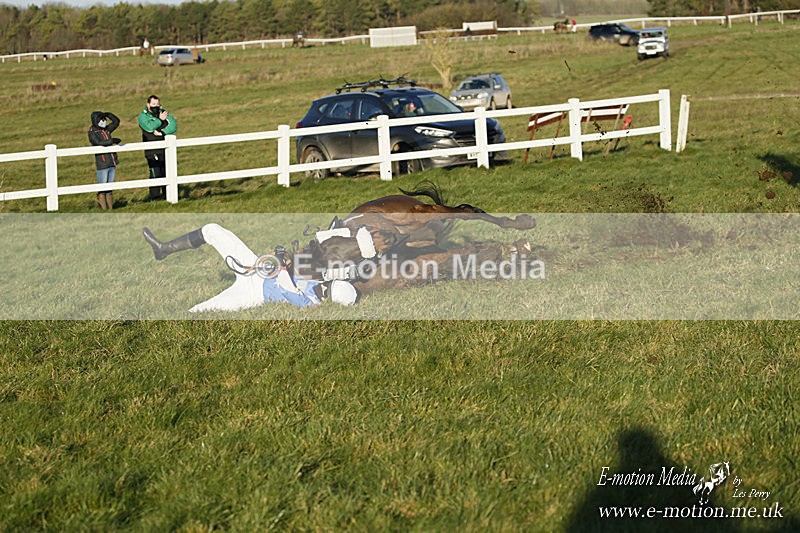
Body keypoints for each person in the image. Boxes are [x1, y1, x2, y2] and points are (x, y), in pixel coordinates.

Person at [141, 224, 359, 312]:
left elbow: (287, 289)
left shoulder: (310, 303)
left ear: (329, 295)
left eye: (328, 287)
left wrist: (282, 264)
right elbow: (297, 272)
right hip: (259, 270)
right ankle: (164, 248)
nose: (325, 285)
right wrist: (285, 259)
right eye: (328, 284)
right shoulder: (319, 284)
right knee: (213, 229)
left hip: (251, 293)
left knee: (198, 311)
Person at [138, 95, 177, 201]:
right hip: (152, 150)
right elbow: (149, 127)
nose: (156, 106)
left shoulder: (164, 113)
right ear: (148, 104)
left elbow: (173, 126)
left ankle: (168, 196)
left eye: (157, 104)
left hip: (166, 148)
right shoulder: (143, 116)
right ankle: (154, 197)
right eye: (153, 104)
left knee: (167, 172)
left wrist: (162, 133)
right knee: (156, 173)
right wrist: (160, 120)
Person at [87, 111, 121, 210]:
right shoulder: (92, 132)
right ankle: (103, 208)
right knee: (102, 188)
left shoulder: (106, 130)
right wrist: (111, 141)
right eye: (101, 120)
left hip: (112, 161)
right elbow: (97, 142)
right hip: (102, 163)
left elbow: (116, 122)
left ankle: (110, 209)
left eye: (104, 120)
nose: (104, 122)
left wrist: (109, 114)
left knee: (109, 188)